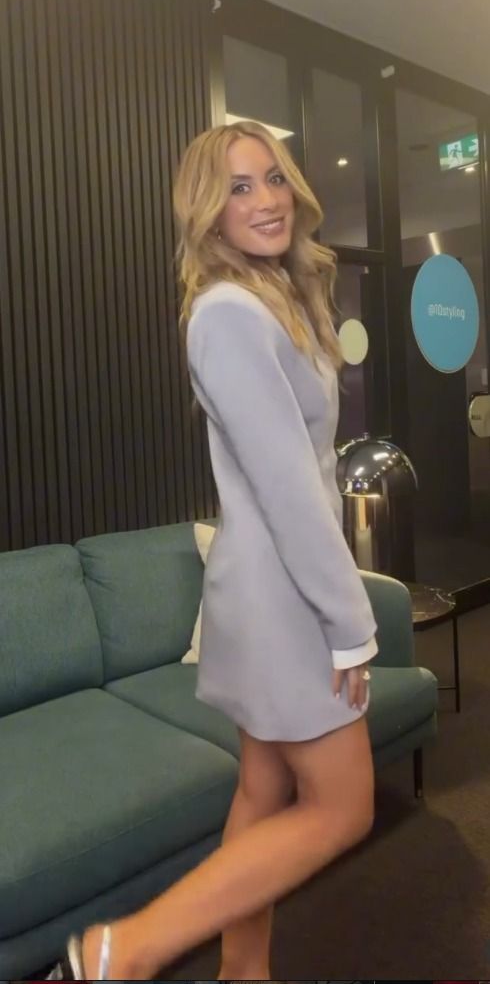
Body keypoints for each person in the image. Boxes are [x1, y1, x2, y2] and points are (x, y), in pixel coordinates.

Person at [59, 119, 379, 980]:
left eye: (273, 177)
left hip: (263, 588)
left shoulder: (272, 298)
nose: (266, 199)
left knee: (262, 789)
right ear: (207, 210)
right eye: (239, 187)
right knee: (344, 807)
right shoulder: (230, 313)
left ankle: (243, 970)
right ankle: (124, 948)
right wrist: (349, 621)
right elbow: (288, 487)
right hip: (285, 601)